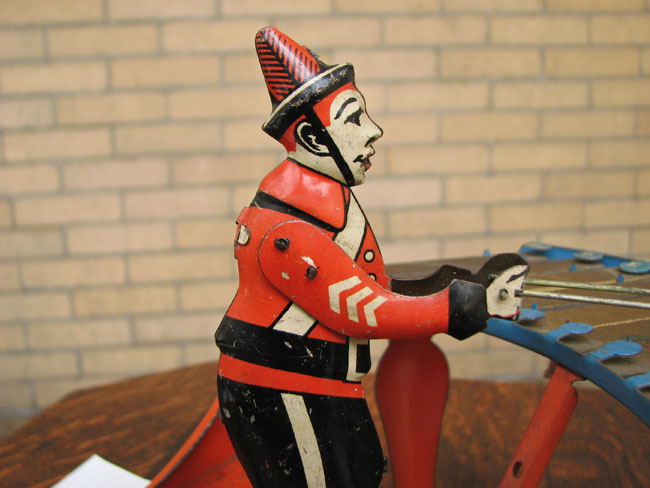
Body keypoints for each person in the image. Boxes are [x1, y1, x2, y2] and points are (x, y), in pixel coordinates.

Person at [215, 26, 528, 488]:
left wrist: (449, 286)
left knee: (359, 471)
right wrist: (461, 306)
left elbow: (363, 283)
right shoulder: (286, 229)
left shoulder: (322, 201)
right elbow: (358, 309)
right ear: (312, 137)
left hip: (314, 384)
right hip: (283, 389)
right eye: (354, 119)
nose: (373, 131)